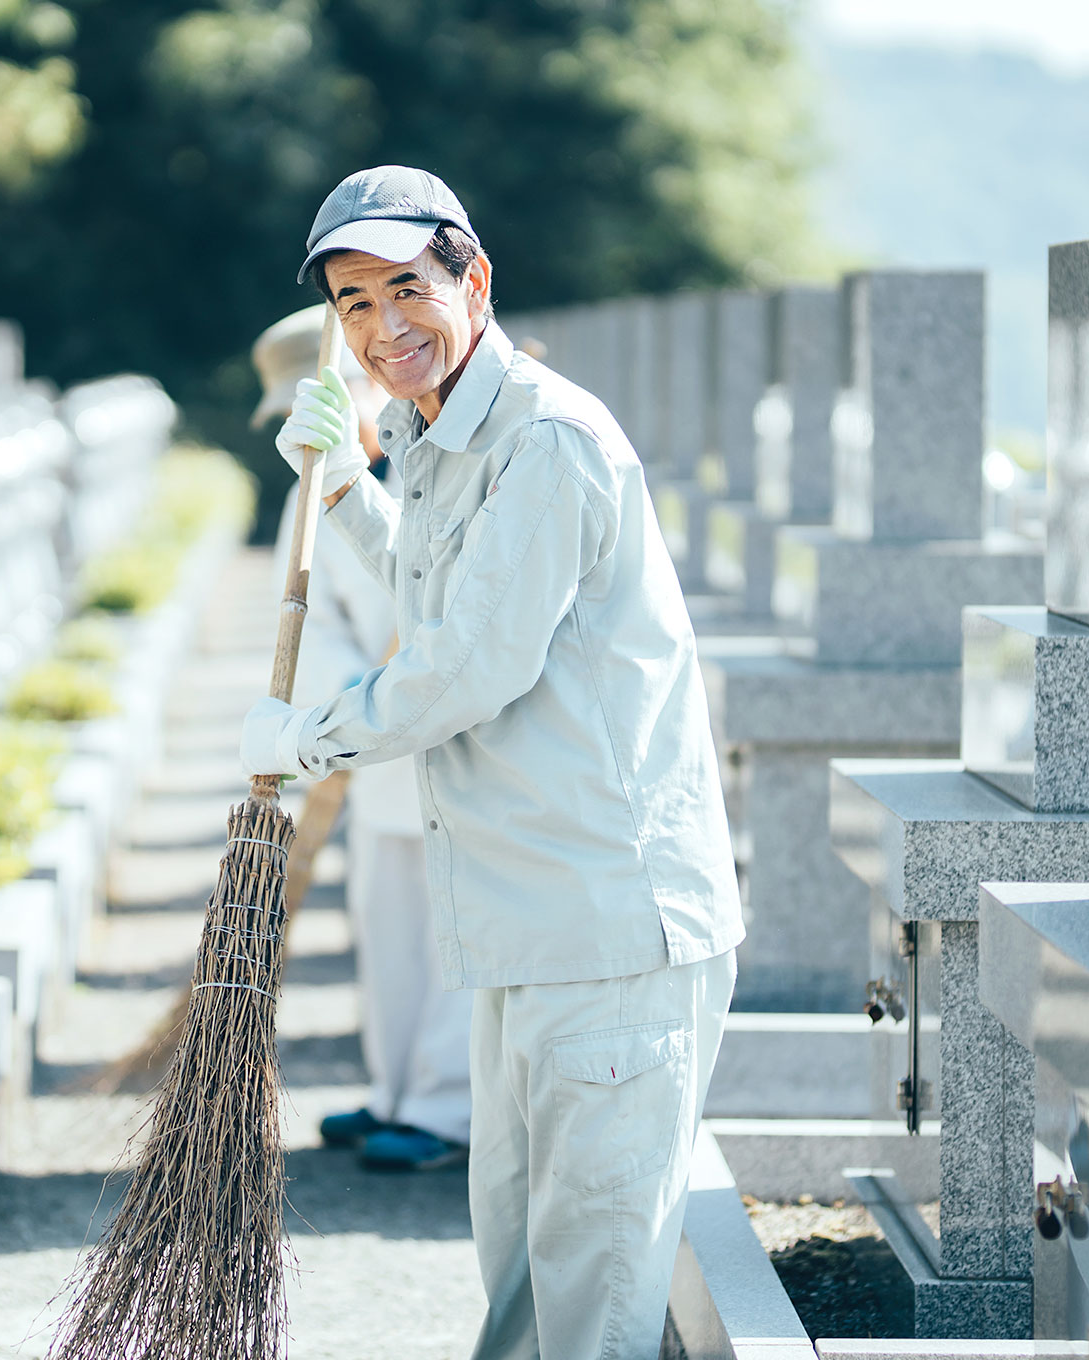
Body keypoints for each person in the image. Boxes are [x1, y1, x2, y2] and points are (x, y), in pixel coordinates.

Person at [238, 165, 744, 1360]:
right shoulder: (431, 428)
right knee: (521, 1274)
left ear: (473, 277)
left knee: (591, 1293)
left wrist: (310, 738)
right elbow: (433, 580)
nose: (381, 328)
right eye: (353, 304)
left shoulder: (550, 438)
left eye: (406, 288)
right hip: (523, 915)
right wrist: (349, 482)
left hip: (608, 924)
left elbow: (472, 662)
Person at [250, 306, 472, 1172]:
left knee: (457, 928)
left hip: (454, 744)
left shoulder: (446, 473)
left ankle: (447, 1108)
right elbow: (302, 621)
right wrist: (347, 700)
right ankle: (395, 1089)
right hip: (368, 747)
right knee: (387, 928)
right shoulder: (308, 498)